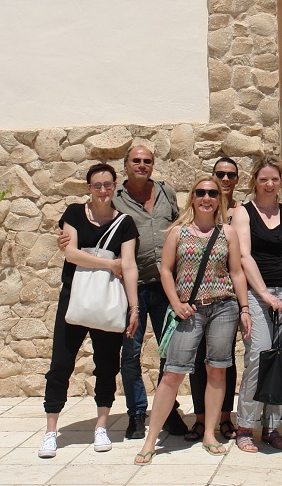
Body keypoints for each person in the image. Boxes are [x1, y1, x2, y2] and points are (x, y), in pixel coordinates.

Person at [56, 146, 186, 439]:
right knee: (129, 355)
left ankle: (169, 412)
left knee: (170, 354)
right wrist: (65, 241)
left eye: (147, 161)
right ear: (125, 165)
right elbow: (85, 229)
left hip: (167, 285)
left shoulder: (166, 193)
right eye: (136, 161)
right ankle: (137, 414)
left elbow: (181, 228)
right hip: (131, 287)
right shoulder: (112, 198)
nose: (142, 165)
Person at [134, 178, 251, 464]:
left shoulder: (228, 232)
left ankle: (209, 434)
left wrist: (245, 308)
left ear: (218, 200)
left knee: (217, 370)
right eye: (201, 192)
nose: (207, 197)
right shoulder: (178, 232)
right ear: (192, 198)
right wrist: (176, 303)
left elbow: (236, 272)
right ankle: (151, 440)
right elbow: (165, 270)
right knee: (173, 372)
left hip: (224, 308)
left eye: (212, 193)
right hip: (189, 310)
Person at [40, 163, 140, 459]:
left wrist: (134, 307)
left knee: (107, 366)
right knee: (60, 364)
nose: (103, 190)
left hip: (108, 302)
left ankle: (101, 425)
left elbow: (131, 266)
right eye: (97, 185)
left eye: (108, 185)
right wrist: (109, 264)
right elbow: (69, 253)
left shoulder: (125, 223)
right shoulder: (73, 213)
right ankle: (50, 430)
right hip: (74, 298)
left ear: (115, 185)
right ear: (89, 188)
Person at [232, 156, 282, 452]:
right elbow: (244, 256)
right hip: (257, 294)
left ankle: (273, 427)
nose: (269, 184)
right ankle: (245, 426)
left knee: (281, 360)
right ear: (255, 182)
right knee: (258, 357)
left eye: (274, 179)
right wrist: (264, 295)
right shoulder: (243, 213)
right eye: (263, 179)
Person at [189, 156, 241, 440]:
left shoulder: (241, 211)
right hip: (197, 295)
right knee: (198, 360)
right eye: (219, 174)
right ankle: (200, 417)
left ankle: (224, 416)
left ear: (237, 179)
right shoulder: (202, 205)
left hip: (227, 295)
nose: (224, 180)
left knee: (224, 359)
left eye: (230, 175)